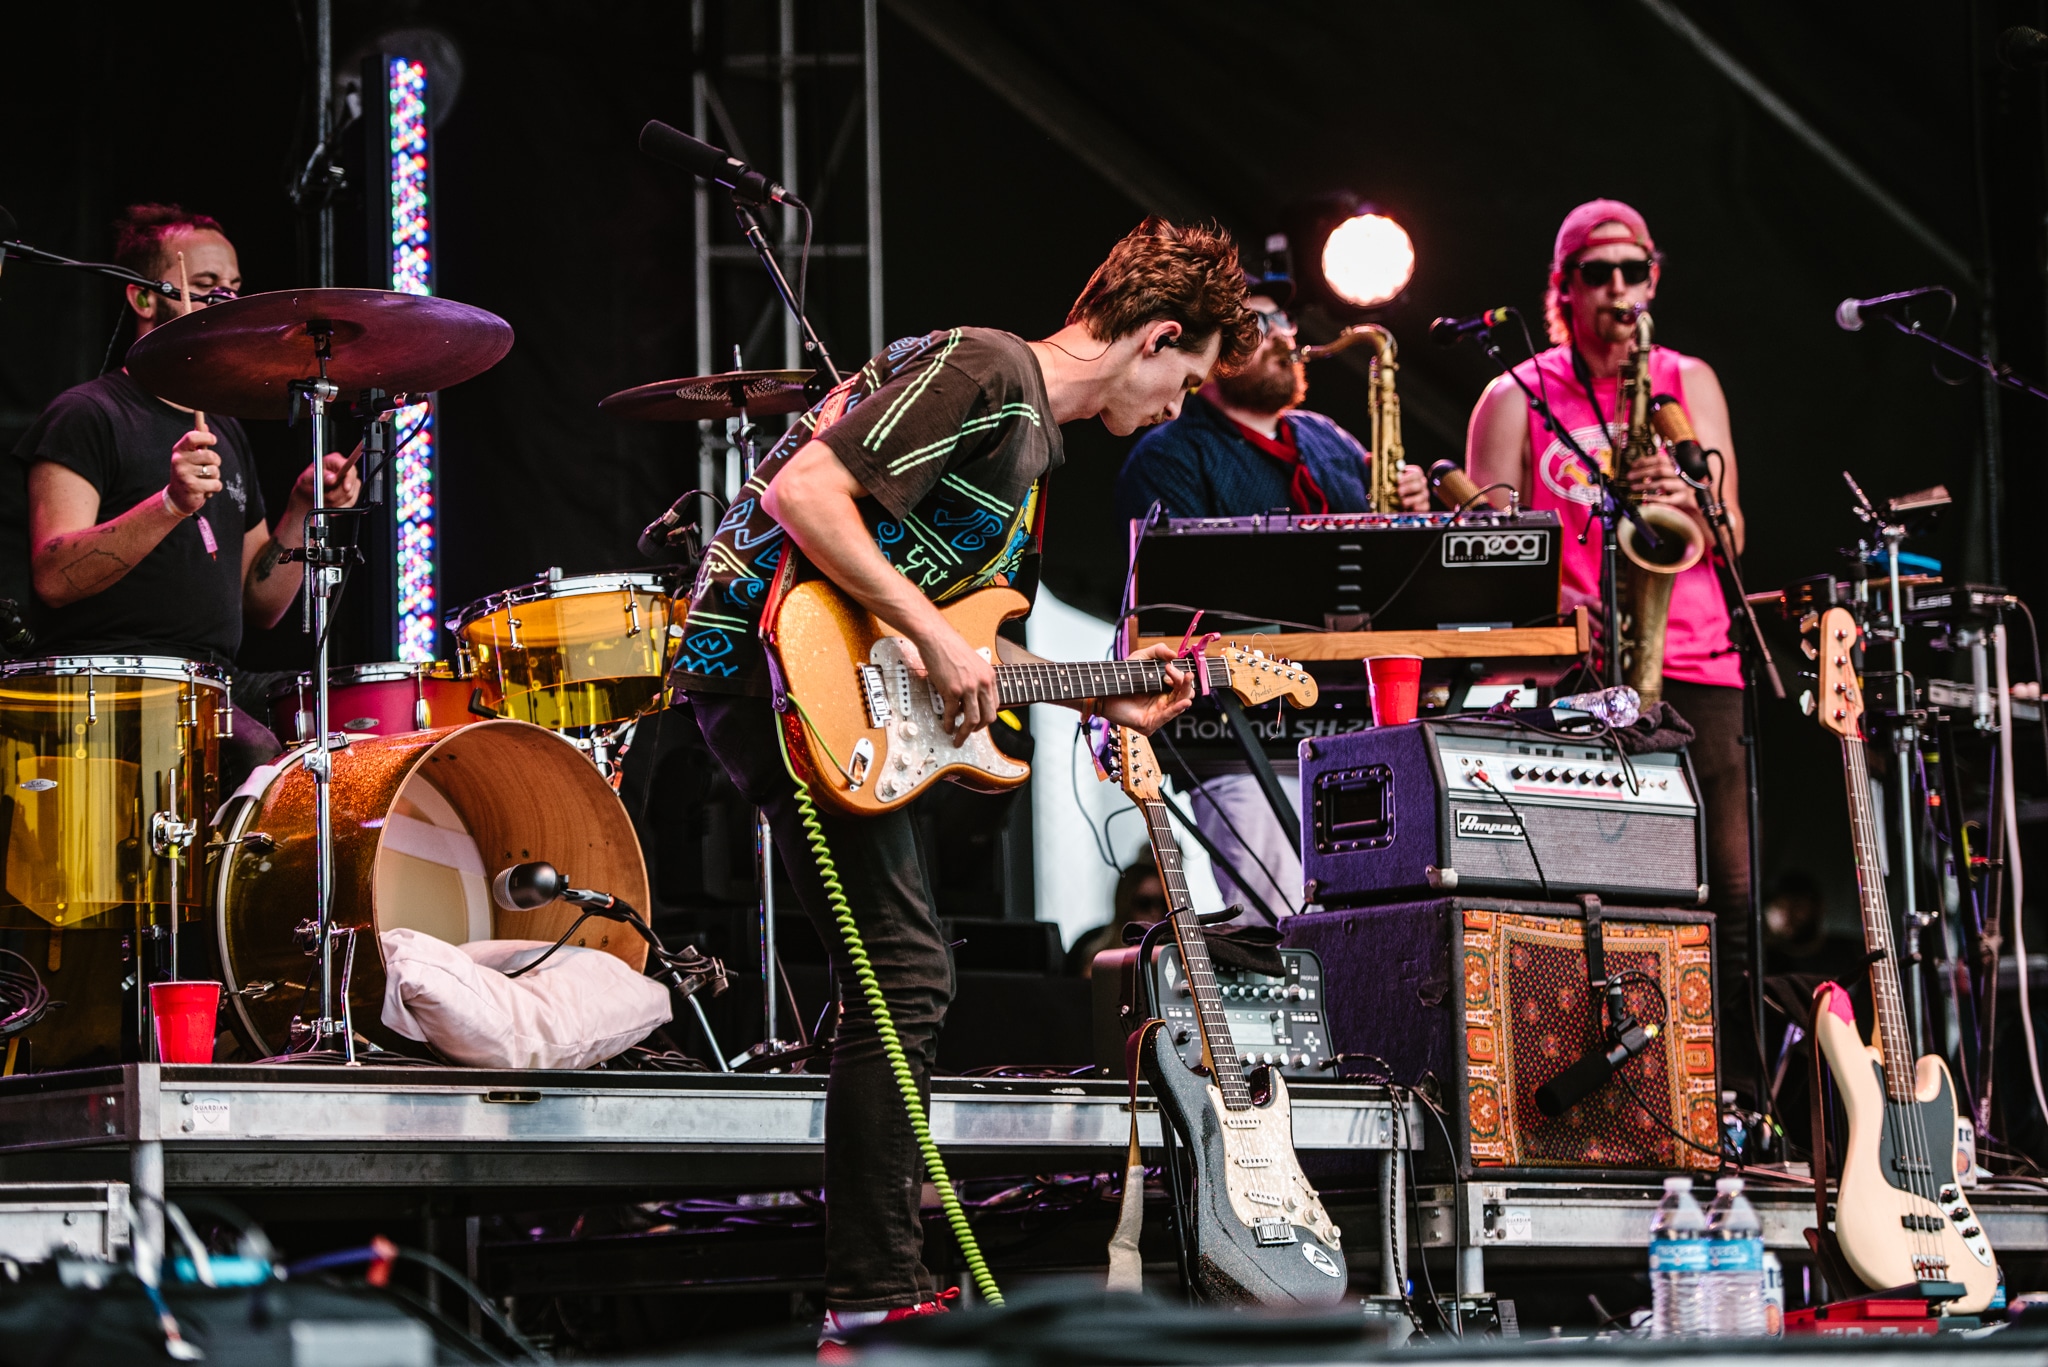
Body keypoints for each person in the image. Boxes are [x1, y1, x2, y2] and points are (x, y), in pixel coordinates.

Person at [669, 217, 1255, 1341]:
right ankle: (871, 1295)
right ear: (1155, 335)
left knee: (905, 970)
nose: (1174, 410)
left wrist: (1109, 692)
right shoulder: (988, 369)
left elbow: (974, 641)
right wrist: (932, 637)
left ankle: (878, 1279)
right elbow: (804, 493)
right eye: (1185, 382)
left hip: (822, 675)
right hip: (772, 669)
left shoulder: (1029, 449)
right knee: (905, 970)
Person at [1462, 198, 1755, 1092]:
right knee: (1579, 888)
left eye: (1636, 271)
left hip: (1695, 659)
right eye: (1599, 273)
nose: (1619, 288)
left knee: (1730, 891)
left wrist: (1690, 496)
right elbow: (1481, 553)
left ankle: (1737, 1098)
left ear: (1653, 281)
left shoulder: (1688, 381)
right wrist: (1559, 599)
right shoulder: (1514, 394)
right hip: (1570, 668)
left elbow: (1734, 533)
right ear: (1565, 288)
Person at [1112, 268, 1430, 919]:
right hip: (1236, 733)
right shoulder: (1168, 454)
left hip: (1351, 723)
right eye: (1261, 324)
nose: (1285, 336)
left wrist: (1410, 514)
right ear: (1213, 348)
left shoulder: (1328, 437)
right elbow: (1177, 602)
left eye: (1286, 321)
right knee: (1281, 926)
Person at [10, 203, 360, 786]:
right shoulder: (88, 414)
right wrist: (169, 504)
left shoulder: (225, 428)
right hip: (118, 677)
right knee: (259, 752)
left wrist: (302, 508)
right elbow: (53, 575)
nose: (225, 301)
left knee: (340, 730)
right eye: (205, 285)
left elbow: (261, 604)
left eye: (234, 289)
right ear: (143, 298)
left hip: (216, 679)